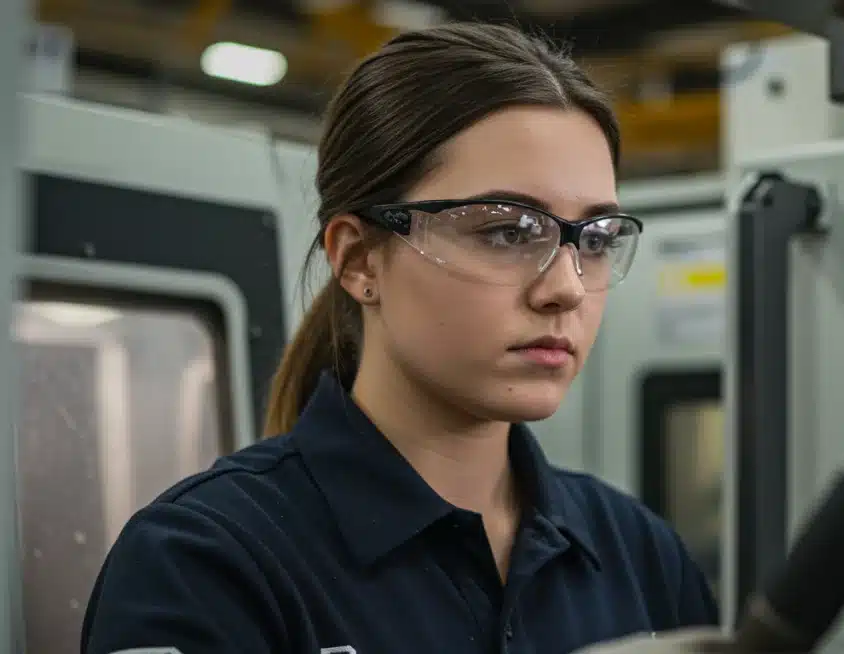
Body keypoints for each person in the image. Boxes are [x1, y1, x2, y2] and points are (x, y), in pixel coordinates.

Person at [81, 21, 719, 654]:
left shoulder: (637, 554)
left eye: (597, 239)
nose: (568, 289)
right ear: (359, 259)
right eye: (508, 231)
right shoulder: (206, 564)